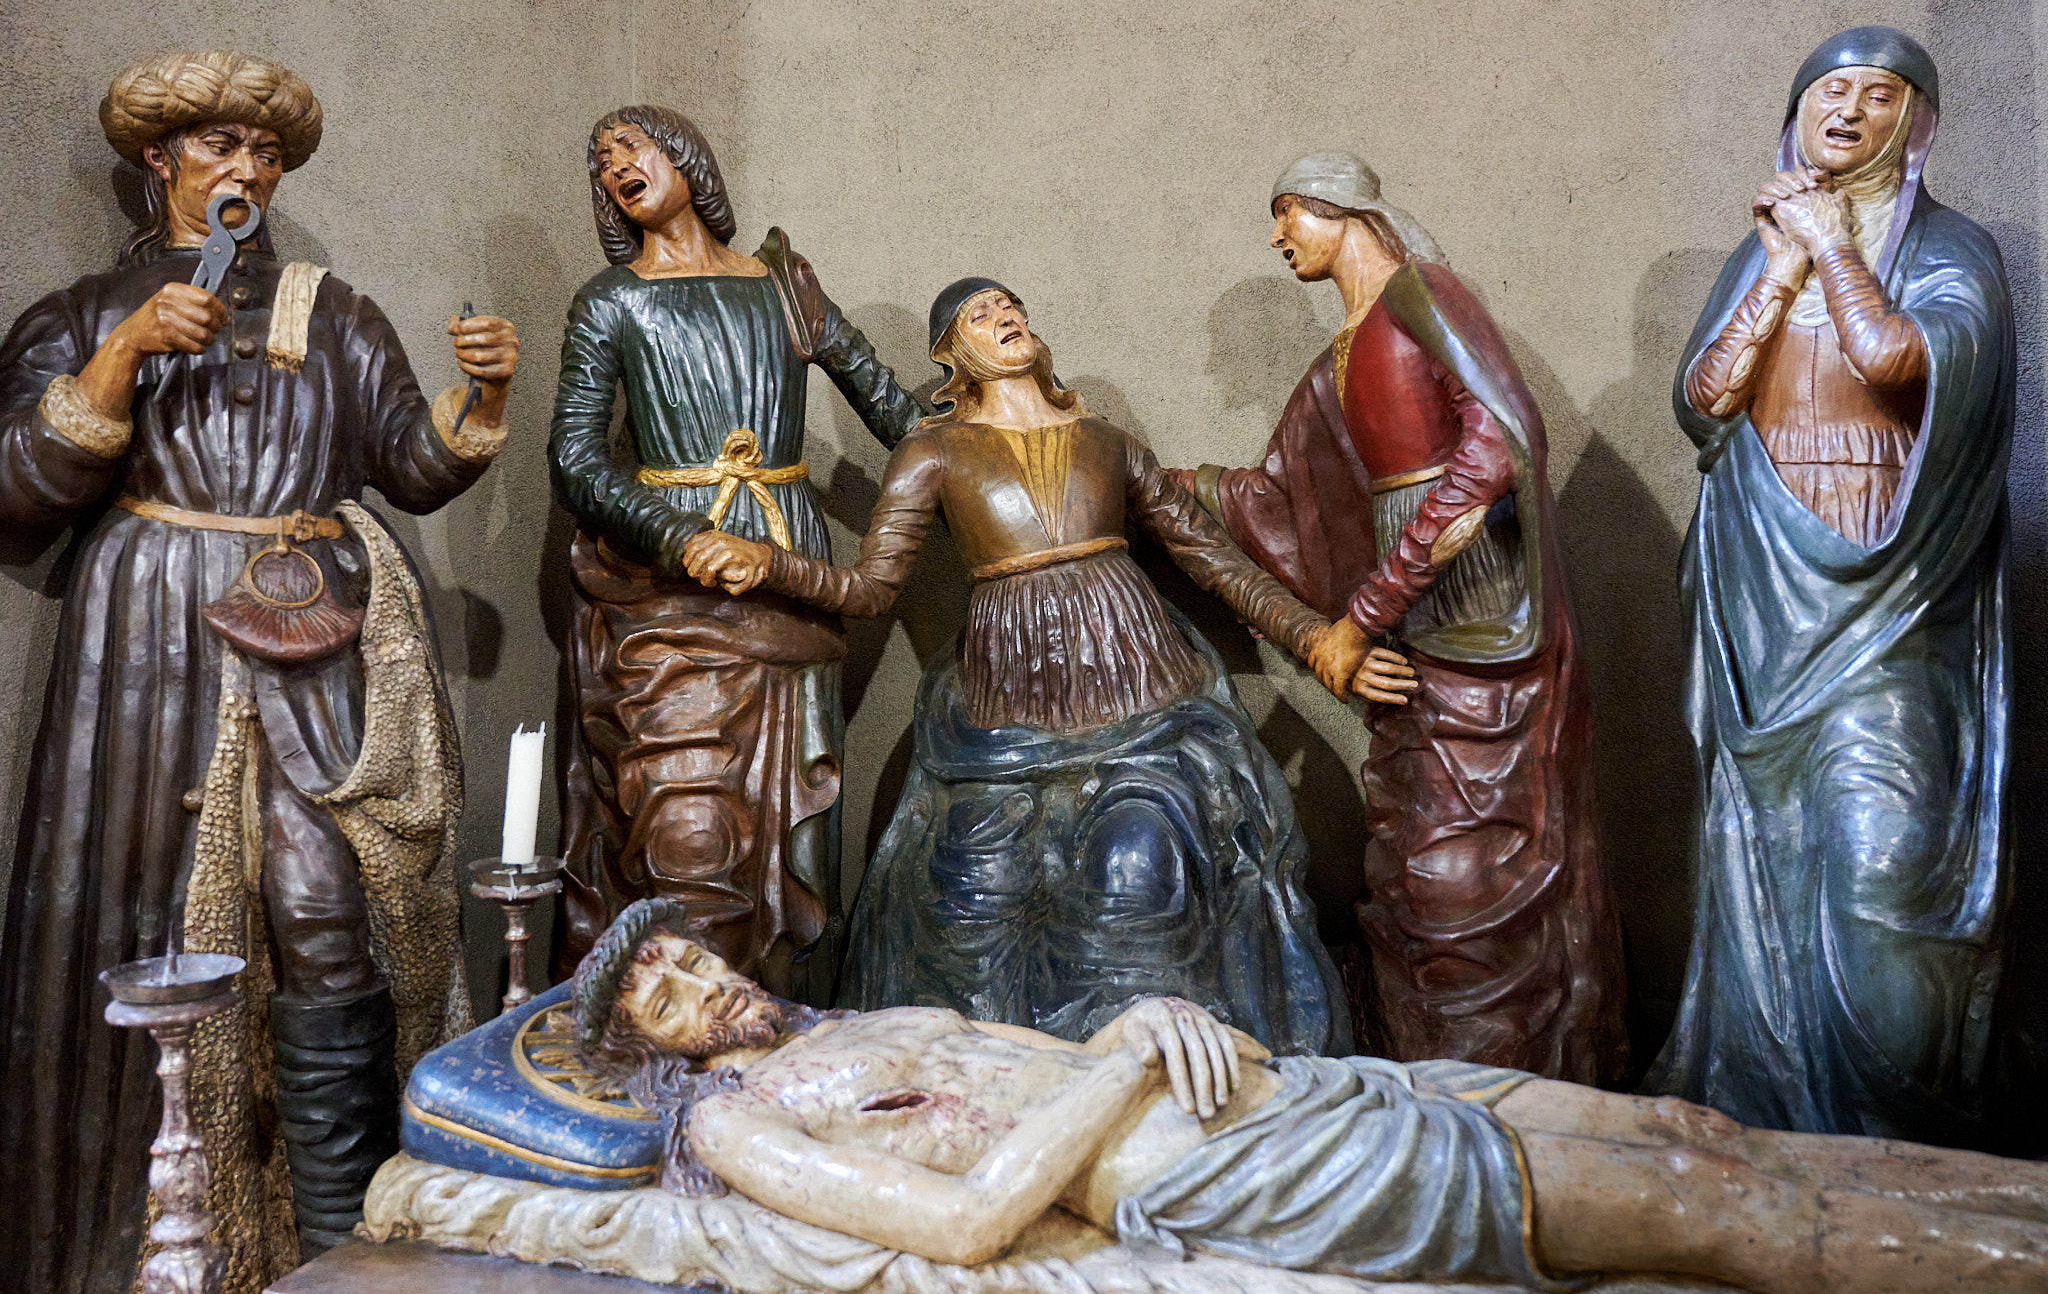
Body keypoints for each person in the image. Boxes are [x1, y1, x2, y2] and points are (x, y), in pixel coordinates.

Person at [0, 51, 518, 1294]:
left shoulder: (331, 312)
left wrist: (481, 399)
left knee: (326, 907)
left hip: (307, 635)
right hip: (149, 645)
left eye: (265, 152)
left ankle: (338, 1245)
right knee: (146, 915)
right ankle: (145, 1236)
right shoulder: (83, 309)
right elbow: (17, 485)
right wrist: (125, 351)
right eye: (220, 145)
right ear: (159, 161)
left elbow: (406, 460)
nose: (247, 169)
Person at [557, 899, 2048, 1293]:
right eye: (666, 1000)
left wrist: (1148, 1023)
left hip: (1296, 1089)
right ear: (654, 1051)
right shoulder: (734, 1125)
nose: (703, 987)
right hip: (1221, 1173)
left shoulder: (871, 1011)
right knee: (1701, 1207)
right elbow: (964, 1224)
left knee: (1693, 1129)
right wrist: (1131, 1055)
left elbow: (1062, 1054)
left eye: (689, 958)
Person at [682, 279, 1355, 1055]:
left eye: (1011, 306)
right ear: (952, 355)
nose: (1004, 315)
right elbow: (869, 588)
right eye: (981, 313)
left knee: (1140, 876)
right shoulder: (933, 451)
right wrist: (770, 562)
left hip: (1141, 700)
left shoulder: (1105, 440)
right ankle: (1011, 1079)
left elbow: (1213, 559)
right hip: (1005, 717)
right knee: (973, 900)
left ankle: (1163, 1067)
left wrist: (1316, 638)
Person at [1171, 154, 1625, 1083]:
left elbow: (1499, 446)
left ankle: (1518, 1072)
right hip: (1418, 639)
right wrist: (1151, 479)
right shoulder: (1336, 359)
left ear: (1341, 209)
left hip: (1486, 632)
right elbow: (1274, 496)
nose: (1276, 235)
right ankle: (1430, 1072)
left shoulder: (1424, 296)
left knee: (1477, 867)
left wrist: (1366, 613)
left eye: (1288, 211)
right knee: (1414, 860)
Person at [1646, 27, 2014, 1145]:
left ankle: (1902, 1141)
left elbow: (1897, 360)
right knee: (1763, 863)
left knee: (1879, 872)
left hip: (1891, 605)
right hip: (1765, 606)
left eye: (1877, 94)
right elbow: (1703, 405)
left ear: (1917, 122)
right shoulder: (1759, 251)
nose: (1846, 110)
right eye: (1828, 91)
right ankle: (1768, 1122)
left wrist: (1833, 248)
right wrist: (1779, 267)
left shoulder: (1952, 250)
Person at [548, 106, 923, 1002]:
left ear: (686, 155)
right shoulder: (611, 300)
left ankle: (774, 1031)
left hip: (789, 584)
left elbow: (898, 416)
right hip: (667, 590)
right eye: (601, 164)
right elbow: (575, 457)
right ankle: (680, 1030)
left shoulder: (782, 287)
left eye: (632, 147)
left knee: (786, 834)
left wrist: (1006, 426)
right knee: (686, 833)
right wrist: (681, 533)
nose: (616, 168)